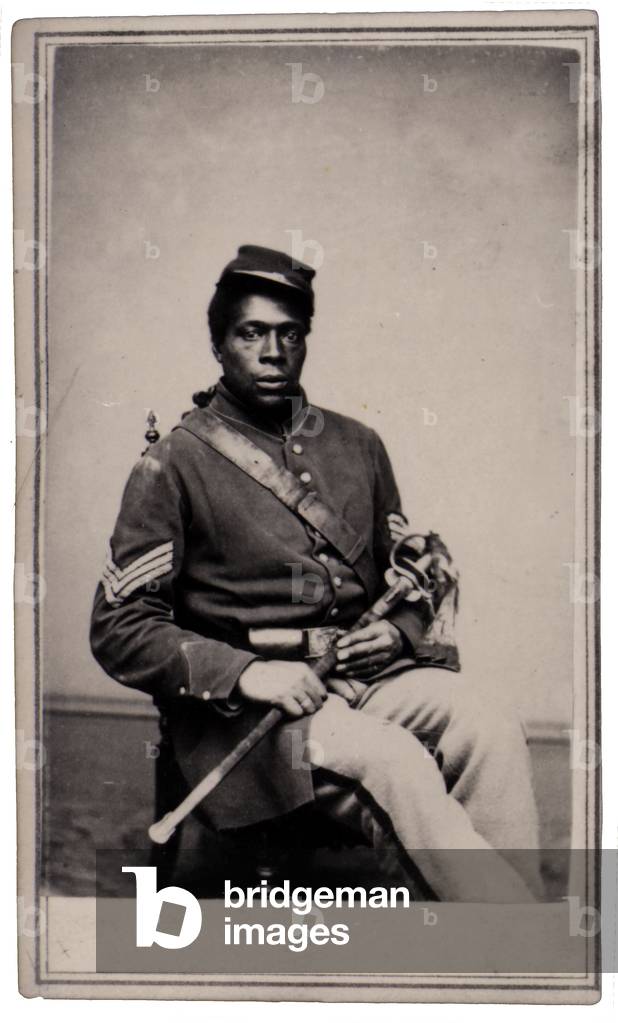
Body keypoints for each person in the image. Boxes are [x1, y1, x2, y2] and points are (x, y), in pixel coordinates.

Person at [90, 244, 541, 901]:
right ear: (219, 343)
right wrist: (249, 672)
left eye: (289, 333)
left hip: (369, 679)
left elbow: (407, 578)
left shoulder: (359, 445)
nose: (273, 351)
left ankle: (509, 934)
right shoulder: (174, 464)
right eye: (251, 333)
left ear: (304, 341)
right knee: (392, 761)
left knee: (488, 725)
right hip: (251, 711)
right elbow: (119, 627)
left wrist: (402, 634)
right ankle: (515, 938)